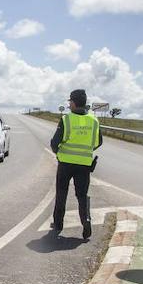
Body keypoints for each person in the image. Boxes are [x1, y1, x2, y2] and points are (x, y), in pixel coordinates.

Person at [49, 89, 102, 238]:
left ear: (73, 102)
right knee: (82, 195)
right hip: (84, 165)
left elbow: (54, 143)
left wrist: (58, 153)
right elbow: (98, 142)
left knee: (61, 193)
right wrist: (85, 151)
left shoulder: (67, 119)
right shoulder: (93, 120)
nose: (69, 104)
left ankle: (58, 224)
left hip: (65, 164)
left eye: (70, 102)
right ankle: (86, 220)